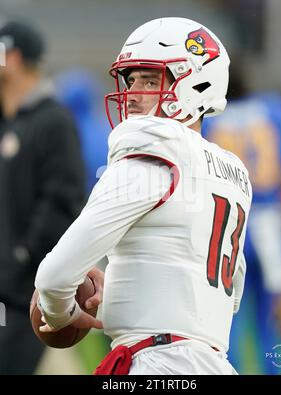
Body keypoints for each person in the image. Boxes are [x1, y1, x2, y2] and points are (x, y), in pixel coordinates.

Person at [35, 17, 252, 375]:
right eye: (131, 79)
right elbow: (223, 298)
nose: (133, 93)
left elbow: (54, 277)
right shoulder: (233, 173)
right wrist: (118, 299)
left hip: (157, 363)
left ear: (197, 84)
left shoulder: (152, 151)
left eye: (151, 80)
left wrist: (62, 313)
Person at [202, 62, 281, 374]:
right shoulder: (275, 110)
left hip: (229, 222)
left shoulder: (210, 119)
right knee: (270, 321)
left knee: (225, 320)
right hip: (270, 225)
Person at [0, 20, 85, 374]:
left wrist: (21, 258)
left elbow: (63, 201)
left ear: (14, 57)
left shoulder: (54, 121)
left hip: (24, 296)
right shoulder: (8, 121)